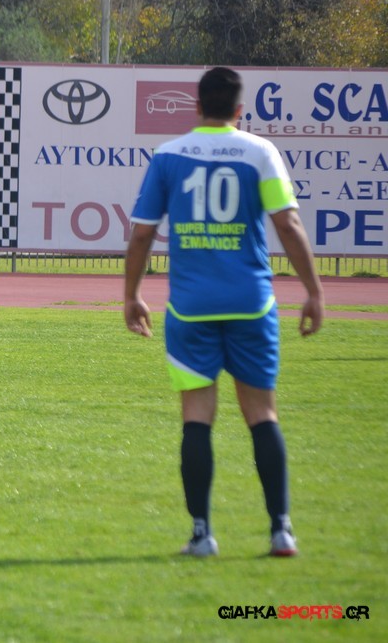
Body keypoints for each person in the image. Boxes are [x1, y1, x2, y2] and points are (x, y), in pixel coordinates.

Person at [123, 67, 324, 558]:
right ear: (239, 110)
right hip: (252, 304)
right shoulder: (259, 151)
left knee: (197, 416)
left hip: (191, 308)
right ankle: (281, 530)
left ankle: (201, 534)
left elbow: (143, 232)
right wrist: (313, 291)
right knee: (262, 414)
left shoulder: (168, 155)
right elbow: (289, 225)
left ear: (196, 107)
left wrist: (132, 294)